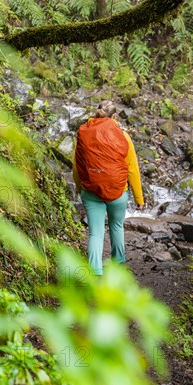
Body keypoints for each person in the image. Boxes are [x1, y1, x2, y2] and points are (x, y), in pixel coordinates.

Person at [73, 101, 144, 275]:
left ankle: (95, 271)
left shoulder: (84, 134)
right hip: (118, 191)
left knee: (95, 233)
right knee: (117, 226)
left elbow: (76, 165)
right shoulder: (123, 136)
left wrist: (79, 187)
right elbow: (132, 169)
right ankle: (118, 264)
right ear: (114, 117)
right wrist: (139, 198)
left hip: (91, 190)